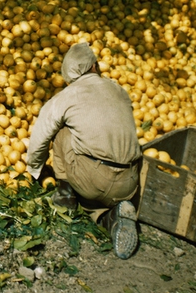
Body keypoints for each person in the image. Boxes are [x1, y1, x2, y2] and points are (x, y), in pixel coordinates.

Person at [26, 41, 143, 259]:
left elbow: (40, 137)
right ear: (94, 66)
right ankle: (112, 217)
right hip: (130, 181)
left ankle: (66, 197)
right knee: (92, 202)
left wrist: (35, 170)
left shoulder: (67, 96)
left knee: (61, 132)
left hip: (94, 179)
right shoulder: (119, 90)